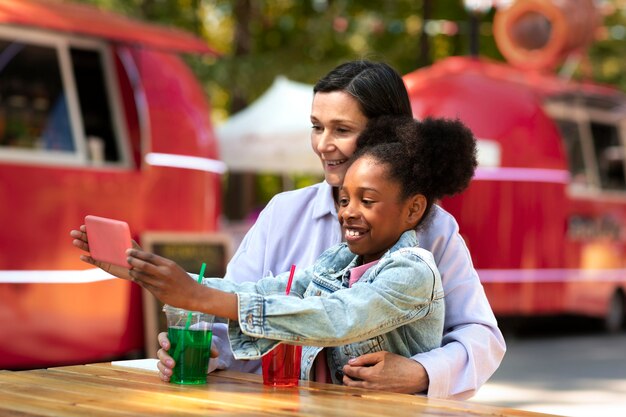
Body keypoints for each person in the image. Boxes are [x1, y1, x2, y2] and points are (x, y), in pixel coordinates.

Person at [71, 60, 505, 399]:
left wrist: (421, 373)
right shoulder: (284, 213)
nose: (323, 144)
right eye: (317, 127)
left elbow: (481, 338)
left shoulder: (431, 231)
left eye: (342, 129)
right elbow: (247, 302)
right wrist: (207, 349)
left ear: (386, 135)